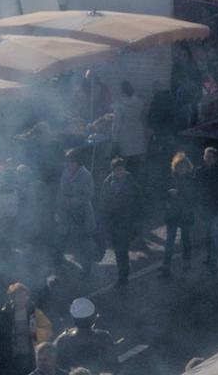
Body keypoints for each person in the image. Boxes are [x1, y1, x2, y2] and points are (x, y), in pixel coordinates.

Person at [0, 282, 52, 375]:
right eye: (19, 296)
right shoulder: (6, 314)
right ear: (12, 298)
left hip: (30, 355)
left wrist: (35, 333)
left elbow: (48, 328)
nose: (22, 299)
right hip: (12, 356)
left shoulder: (33, 312)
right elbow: (0, 337)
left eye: (24, 296)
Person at [97, 157, 139, 286]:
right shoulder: (108, 182)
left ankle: (123, 276)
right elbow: (103, 202)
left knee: (122, 250)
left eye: (120, 170)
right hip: (113, 223)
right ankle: (123, 273)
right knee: (118, 251)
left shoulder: (131, 184)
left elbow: (138, 204)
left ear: (124, 170)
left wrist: (135, 222)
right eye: (116, 170)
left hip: (126, 223)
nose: (118, 173)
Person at [56, 150, 95, 273]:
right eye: (68, 162)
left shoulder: (86, 175)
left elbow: (87, 195)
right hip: (66, 214)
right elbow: (61, 192)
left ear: (78, 163)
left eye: (72, 162)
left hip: (82, 214)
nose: (69, 164)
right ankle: (58, 263)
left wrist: (72, 201)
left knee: (83, 243)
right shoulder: (65, 173)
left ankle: (86, 268)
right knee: (62, 238)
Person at [194, 146, 218, 271]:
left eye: (209, 157)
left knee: (215, 236)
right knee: (208, 236)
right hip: (205, 209)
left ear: (215, 158)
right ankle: (210, 257)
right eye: (205, 157)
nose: (207, 159)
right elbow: (195, 190)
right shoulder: (199, 172)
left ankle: (213, 261)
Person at [161, 152, 195, 275]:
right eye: (179, 166)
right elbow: (161, 194)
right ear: (175, 167)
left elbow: (192, 197)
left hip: (185, 214)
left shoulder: (191, 180)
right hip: (173, 214)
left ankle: (186, 261)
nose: (181, 169)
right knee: (169, 241)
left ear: (187, 167)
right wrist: (168, 193)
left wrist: (177, 193)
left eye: (184, 167)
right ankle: (166, 265)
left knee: (186, 240)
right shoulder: (170, 178)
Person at [113, 82, 148, 168]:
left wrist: (114, 139)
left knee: (124, 164)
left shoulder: (119, 104)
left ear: (122, 91)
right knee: (137, 165)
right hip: (138, 134)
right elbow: (144, 118)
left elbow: (117, 123)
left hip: (124, 136)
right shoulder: (140, 102)